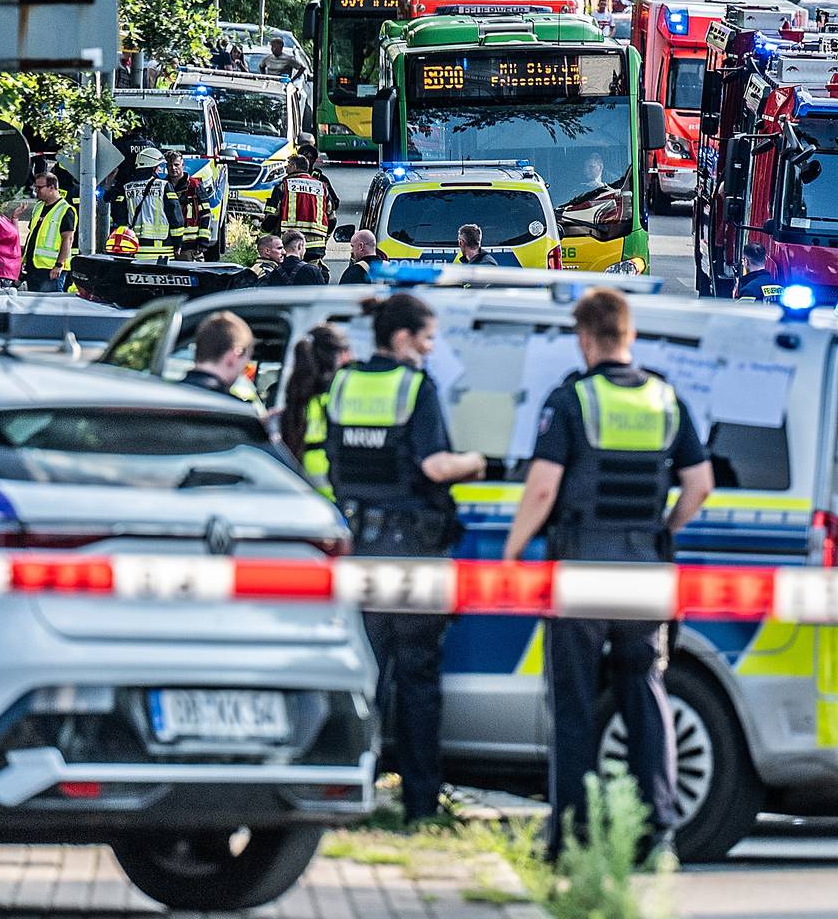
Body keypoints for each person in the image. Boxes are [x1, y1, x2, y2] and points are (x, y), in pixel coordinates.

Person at [502, 289, 714, 862]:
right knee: (645, 694)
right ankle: (658, 833)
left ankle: (572, 836)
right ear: (629, 335)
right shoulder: (666, 399)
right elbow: (699, 485)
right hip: (644, 570)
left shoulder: (572, 399)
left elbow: (543, 487)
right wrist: (660, 531)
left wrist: (513, 551)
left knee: (572, 703)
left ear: (585, 338)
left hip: (579, 572)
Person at [320, 294, 487, 824]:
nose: (432, 349)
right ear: (402, 339)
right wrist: (478, 461)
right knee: (417, 679)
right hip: (411, 551)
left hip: (359, 543)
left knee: (367, 679)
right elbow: (436, 466)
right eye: (428, 338)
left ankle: (353, 794)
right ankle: (419, 804)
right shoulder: (417, 386)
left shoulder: (344, 383)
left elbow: (334, 459)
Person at [278, 323, 351, 498]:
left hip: (304, 500)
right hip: (336, 500)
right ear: (341, 355)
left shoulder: (297, 401)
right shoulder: (340, 399)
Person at [269, 143, 338, 250]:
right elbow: (332, 217)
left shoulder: (284, 185)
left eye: (311, 158)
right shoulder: (321, 185)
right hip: (315, 246)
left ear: (293, 166)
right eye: (306, 157)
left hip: (289, 244)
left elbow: (271, 216)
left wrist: (265, 237)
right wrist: (323, 237)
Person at [177, 313, 254, 402]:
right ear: (233, 357)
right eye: (245, 364)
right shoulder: (236, 410)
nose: (241, 371)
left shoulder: (165, 396)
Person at [21, 173, 76, 293]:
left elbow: (68, 239)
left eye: (39, 188)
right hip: (34, 267)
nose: (36, 191)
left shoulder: (65, 210)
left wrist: (59, 265)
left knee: (50, 307)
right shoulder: (38, 206)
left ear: (52, 187)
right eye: (35, 187)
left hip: (51, 270)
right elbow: (32, 235)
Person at [120, 147, 174, 259]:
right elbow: (175, 216)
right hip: (162, 250)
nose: (159, 170)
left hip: (134, 248)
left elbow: (119, 217)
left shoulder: (126, 188)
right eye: (158, 166)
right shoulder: (164, 186)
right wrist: (178, 243)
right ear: (153, 168)